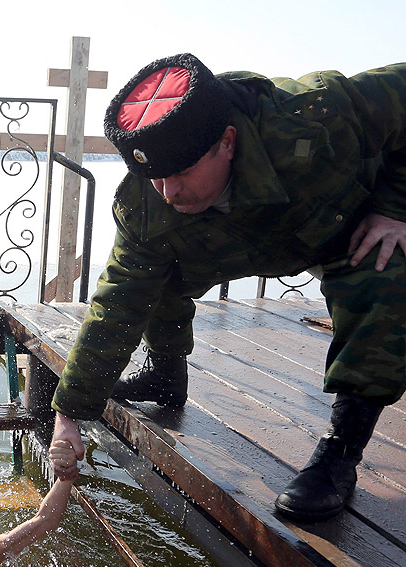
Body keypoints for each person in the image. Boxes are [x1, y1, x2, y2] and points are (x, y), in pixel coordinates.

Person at [51, 53, 406, 522]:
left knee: (384, 272)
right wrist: (70, 412)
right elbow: (119, 300)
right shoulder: (147, 199)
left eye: (180, 172)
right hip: (252, 240)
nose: (168, 191)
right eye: (156, 175)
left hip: (348, 221)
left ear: (227, 142)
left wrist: (395, 206)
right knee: (154, 272)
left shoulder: (315, 115)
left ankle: (341, 453)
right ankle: (166, 372)